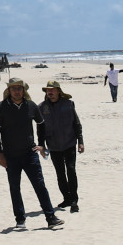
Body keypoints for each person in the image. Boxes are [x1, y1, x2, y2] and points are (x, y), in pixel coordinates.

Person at [0, 77, 58, 229]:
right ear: (9, 90)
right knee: (15, 188)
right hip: (10, 155)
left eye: (19, 88)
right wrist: (0, 154)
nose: (16, 91)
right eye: (13, 88)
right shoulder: (1, 107)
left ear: (24, 90)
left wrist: (41, 145)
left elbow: (41, 124)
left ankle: (51, 217)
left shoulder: (31, 106)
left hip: (30, 154)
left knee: (39, 185)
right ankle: (20, 220)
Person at [36, 79, 84, 212]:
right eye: (48, 90)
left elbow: (77, 124)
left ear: (58, 91)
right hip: (54, 146)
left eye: (52, 90)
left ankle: (74, 199)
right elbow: (40, 129)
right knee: (60, 174)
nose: (50, 92)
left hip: (69, 143)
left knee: (71, 170)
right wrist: (41, 145)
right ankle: (66, 198)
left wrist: (80, 141)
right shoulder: (41, 107)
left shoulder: (68, 104)